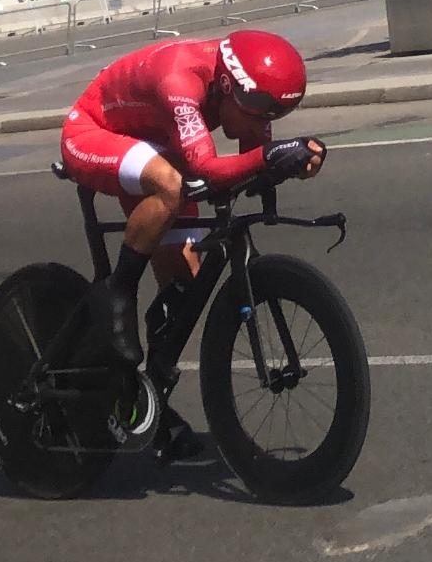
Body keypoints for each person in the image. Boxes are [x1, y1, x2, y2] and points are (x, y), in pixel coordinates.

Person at [61, 29, 325, 460]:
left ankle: (154, 405)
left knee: (183, 286)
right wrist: (270, 156)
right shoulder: (180, 80)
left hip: (155, 141)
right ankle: (117, 294)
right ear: (227, 87)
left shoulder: (244, 90)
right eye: (259, 110)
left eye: (278, 112)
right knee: (171, 184)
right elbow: (205, 164)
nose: (265, 121)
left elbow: (254, 151)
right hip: (92, 130)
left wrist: (292, 162)